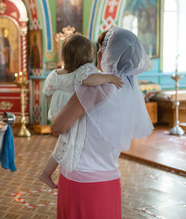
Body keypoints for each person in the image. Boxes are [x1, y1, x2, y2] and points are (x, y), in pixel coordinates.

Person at [51, 26, 153, 218]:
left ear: (110, 55)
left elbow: (58, 126)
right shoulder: (131, 89)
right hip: (110, 179)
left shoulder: (96, 88)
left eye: (102, 48)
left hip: (81, 179)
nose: (98, 53)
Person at [39, 34, 123, 189]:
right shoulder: (83, 72)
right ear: (86, 56)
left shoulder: (54, 74)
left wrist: (55, 113)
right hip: (73, 116)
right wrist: (109, 78)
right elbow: (89, 80)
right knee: (66, 145)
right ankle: (52, 173)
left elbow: (48, 94)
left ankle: (46, 173)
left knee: (61, 146)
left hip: (58, 113)